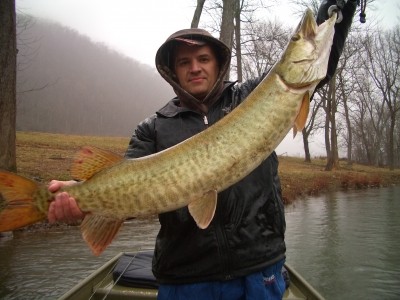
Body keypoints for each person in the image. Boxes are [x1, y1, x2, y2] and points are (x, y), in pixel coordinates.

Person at [48, 1, 357, 299]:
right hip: (185, 278)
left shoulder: (253, 95)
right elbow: (128, 191)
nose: (195, 68)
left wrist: (337, 7)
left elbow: (321, 60)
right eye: (184, 62)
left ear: (218, 64)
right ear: (173, 71)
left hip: (258, 267)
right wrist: (81, 196)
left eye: (203, 59)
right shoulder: (152, 129)